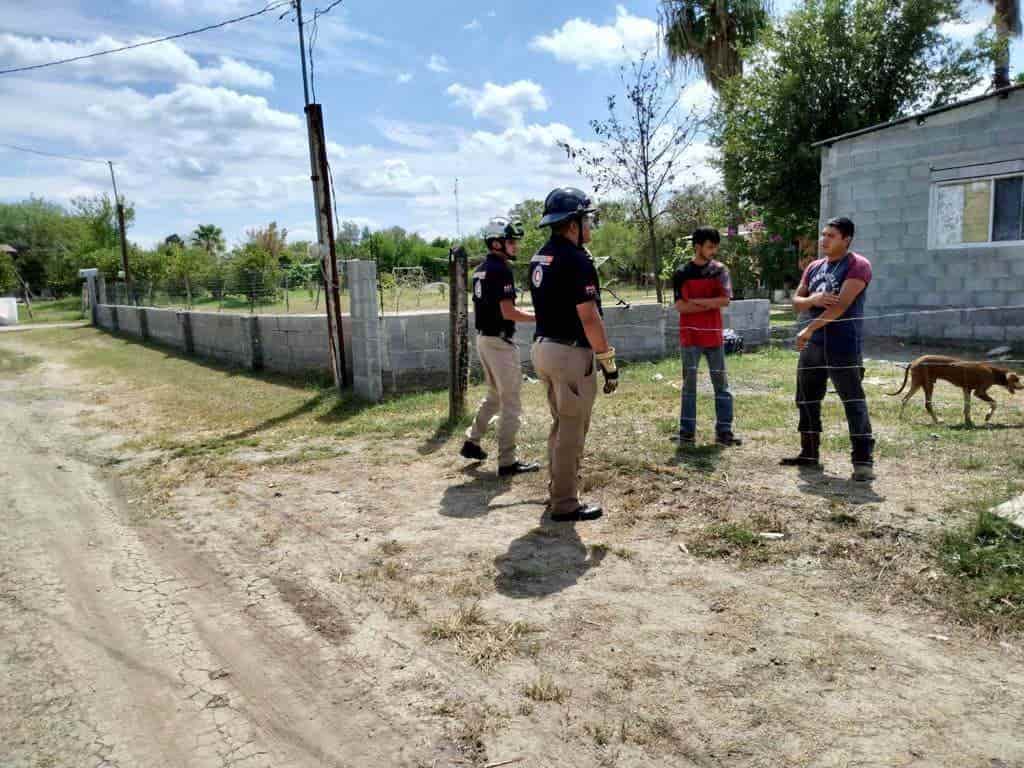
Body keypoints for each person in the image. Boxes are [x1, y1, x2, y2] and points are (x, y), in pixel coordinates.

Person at [529, 187, 618, 522]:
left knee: (561, 422)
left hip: (544, 348)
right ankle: (565, 502)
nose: (589, 225)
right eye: (586, 218)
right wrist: (608, 361)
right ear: (571, 224)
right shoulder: (577, 259)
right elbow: (589, 316)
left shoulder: (541, 255)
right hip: (569, 353)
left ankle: (557, 490)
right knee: (572, 427)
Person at [782, 216, 875, 481]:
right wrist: (813, 298)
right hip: (812, 345)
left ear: (847, 239)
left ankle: (863, 461)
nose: (824, 240)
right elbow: (797, 302)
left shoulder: (858, 265)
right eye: (823, 234)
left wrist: (809, 328)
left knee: (853, 401)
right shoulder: (813, 267)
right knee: (806, 398)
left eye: (831, 236)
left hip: (842, 343)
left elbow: (841, 305)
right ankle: (809, 453)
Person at [460, 217, 540, 477]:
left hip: (484, 338)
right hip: (499, 342)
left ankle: (472, 441)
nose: (515, 245)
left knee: (495, 395)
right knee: (511, 402)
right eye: (510, 241)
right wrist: (541, 316)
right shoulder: (501, 269)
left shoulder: (481, 268)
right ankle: (507, 461)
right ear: (497, 243)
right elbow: (508, 311)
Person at [671, 227, 741, 447]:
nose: (714, 251)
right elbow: (680, 307)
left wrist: (698, 302)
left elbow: (725, 300)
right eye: (710, 246)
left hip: (713, 338)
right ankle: (686, 433)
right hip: (690, 338)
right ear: (697, 247)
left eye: (716, 246)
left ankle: (724, 432)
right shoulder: (682, 272)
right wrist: (710, 302)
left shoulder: (720, 271)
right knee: (689, 386)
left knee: (721, 385)